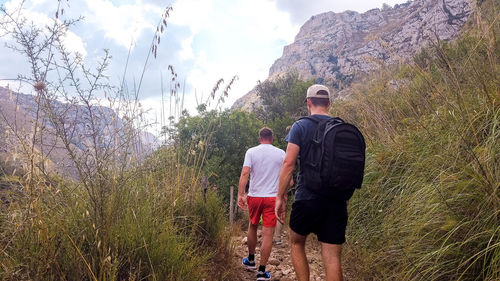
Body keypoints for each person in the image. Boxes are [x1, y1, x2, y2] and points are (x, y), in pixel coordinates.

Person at [275, 84, 347, 281]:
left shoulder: (300, 126)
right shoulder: (341, 127)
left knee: (297, 243)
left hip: (306, 197)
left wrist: (280, 197)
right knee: (332, 256)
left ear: (308, 103)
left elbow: (288, 164)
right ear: (329, 103)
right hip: (336, 200)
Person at [238, 127, 285, 281]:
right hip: (272, 198)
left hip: (255, 196)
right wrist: (283, 198)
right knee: (268, 234)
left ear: (259, 138)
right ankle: (262, 271)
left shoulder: (251, 152)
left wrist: (240, 194)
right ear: (271, 138)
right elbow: (285, 177)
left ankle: (251, 260)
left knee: (252, 226)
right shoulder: (281, 153)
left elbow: (245, 173)